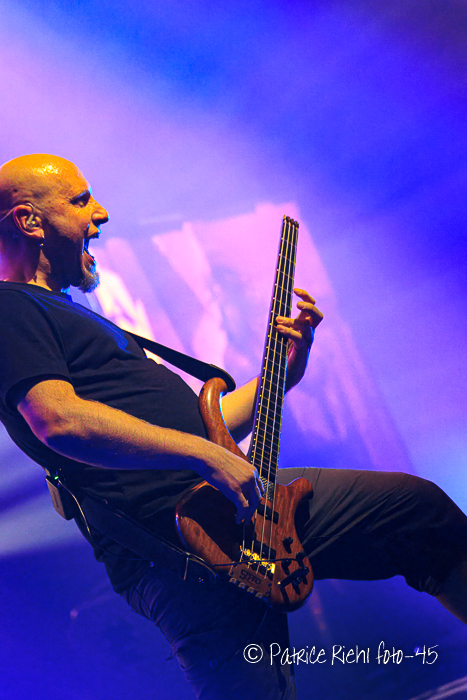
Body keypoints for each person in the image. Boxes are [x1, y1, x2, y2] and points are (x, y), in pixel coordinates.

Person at [0, 154, 465, 700]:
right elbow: (57, 419)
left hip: (230, 511)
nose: (99, 213)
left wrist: (280, 376)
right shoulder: (11, 308)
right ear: (30, 221)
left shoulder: (66, 311)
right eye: (80, 201)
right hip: (178, 543)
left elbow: (209, 428)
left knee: (416, 515)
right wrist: (204, 455)